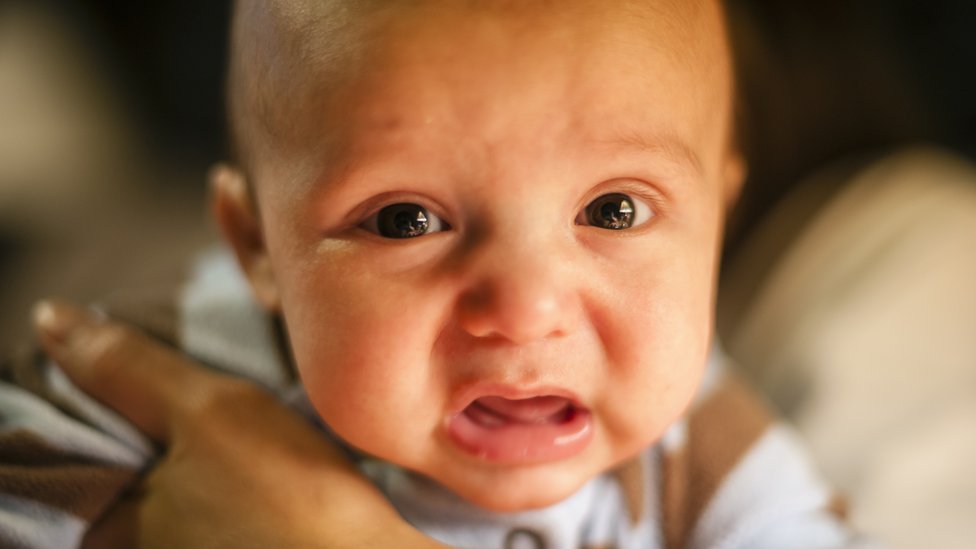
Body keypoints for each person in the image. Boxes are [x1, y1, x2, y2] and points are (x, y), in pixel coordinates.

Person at [1, 0, 873, 547]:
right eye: (406, 220)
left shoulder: (709, 449)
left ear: (715, 223)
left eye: (614, 211)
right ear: (256, 244)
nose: (527, 311)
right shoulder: (168, 370)